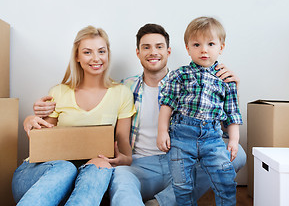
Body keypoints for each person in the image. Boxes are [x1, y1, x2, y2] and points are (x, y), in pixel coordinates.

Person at [33, 23, 246, 206]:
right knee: (122, 186)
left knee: (238, 155)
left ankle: (161, 202)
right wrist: (34, 115)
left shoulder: (191, 84)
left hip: (182, 161)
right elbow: (85, 110)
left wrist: (229, 89)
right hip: (139, 165)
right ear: (138, 53)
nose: (153, 52)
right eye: (146, 47)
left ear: (169, 51)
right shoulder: (124, 88)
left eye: (159, 47)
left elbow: (222, 132)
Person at [12, 26, 136, 206]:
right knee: (65, 167)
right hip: (38, 178)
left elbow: (124, 147)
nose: (96, 58)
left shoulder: (122, 94)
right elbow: (42, 142)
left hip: (83, 182)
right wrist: (29, 120)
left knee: (101, 165)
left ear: (108, 54)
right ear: (77, 57)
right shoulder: (59, 92)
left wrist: (123, 159)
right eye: (87, 52)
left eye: (101, 51)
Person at [157, 16, 241, 206]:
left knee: (225, 181)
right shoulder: (180, 75)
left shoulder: (225, 79)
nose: (204, 49)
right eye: (197, 44)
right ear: (187, 48)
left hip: (212, 138)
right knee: (182, 185)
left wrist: (234, 140)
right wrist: (162, 131)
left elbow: (232, 112)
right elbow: (167, 104)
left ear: (221, 47)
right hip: (181, 136)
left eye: (210, 44)